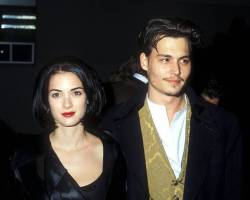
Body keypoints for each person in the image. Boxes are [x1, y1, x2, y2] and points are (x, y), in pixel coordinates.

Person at [99, 18, 242, 200]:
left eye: (183, 61)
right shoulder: (113, 123)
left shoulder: (224, 124)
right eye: (165, 59)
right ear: (144, 61)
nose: (176, 70)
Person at [11, 56, 126, 200]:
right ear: (46, 101)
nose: (67, 104)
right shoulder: (26, 158)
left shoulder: (113, 150)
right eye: (56, 94)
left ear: (88, 97)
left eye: (76, 92)